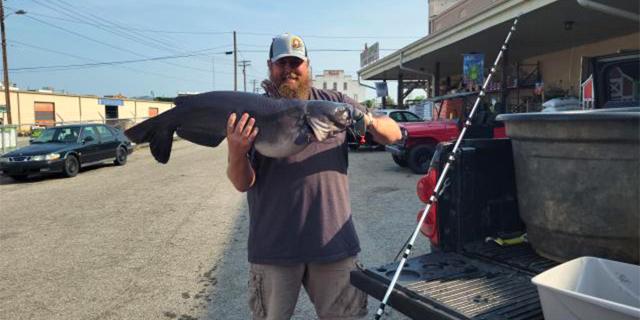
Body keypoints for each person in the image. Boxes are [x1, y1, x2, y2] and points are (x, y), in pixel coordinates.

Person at [225, 33, 402, 320]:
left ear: (307, 65)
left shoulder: (335, 104)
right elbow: (242, 182)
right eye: (282, 63)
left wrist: (366, 121)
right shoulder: (254, 112)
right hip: (273, 249)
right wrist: (236, 151)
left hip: (334, 245)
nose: (289, 70)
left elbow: (393, 133)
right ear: (270, 66)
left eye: (296, 63)